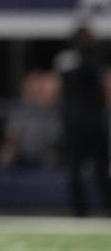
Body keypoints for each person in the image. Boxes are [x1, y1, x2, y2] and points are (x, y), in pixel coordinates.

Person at [54, 25, 111, 216]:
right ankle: (97, 208)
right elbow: (100, 87)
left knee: (88, 168)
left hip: (75, 121)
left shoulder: (66, 58)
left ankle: (82, 210)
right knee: (92, 168)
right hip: (87, 121)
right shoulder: (90, 58)